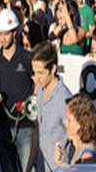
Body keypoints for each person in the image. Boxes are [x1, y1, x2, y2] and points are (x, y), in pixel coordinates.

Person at [0, 9, 34, 172]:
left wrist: (30, 104)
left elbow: (36, 85)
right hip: (3, 124)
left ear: (14, 32)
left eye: (6, 34)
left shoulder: (27, 57)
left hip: (25, 124)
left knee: (28, 168)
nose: (2, 38)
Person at [28, 42, 72, 172]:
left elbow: (75, 138)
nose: (36, 78)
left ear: (53, 69)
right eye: (34, 72)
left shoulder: (64, 99)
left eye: (40, 73)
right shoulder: (41, 90)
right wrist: (29, 165)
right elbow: (38, 130)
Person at [54, 94, 96, 166]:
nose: (65, 122)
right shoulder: (76, 149)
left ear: (81, 123)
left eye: (69, 120)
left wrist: (63, 165)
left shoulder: (87, 156)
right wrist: (62, 163)